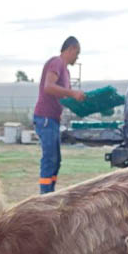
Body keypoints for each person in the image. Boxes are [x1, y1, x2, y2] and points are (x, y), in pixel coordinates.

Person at [33, 36, 86, 193]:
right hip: (45, 118)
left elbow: (65, 96)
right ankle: (45, 197)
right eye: (77, 53)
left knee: (56, 161)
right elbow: (48, 87)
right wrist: (72, 92)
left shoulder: (66, 72)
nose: (77, 57)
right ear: (70, 49)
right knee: (50, 159)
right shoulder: (56, 63)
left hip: (53, 119)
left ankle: (51, 192)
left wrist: (82, 102)